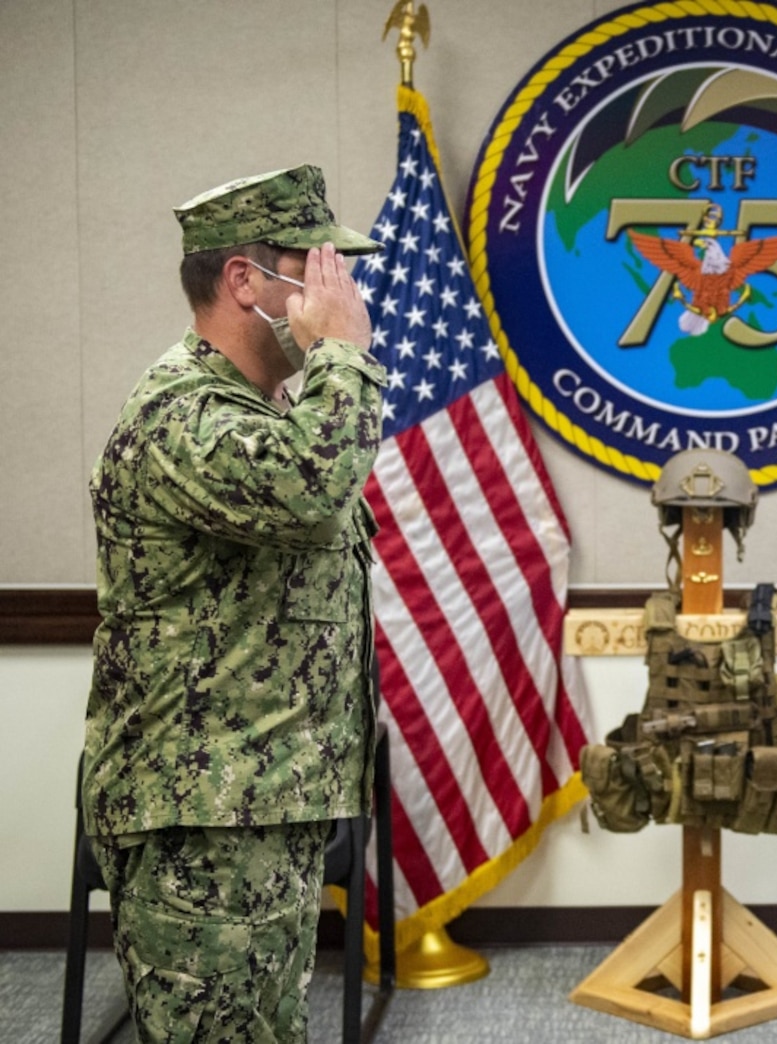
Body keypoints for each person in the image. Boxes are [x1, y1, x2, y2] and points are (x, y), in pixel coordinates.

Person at [83, 165, 384, 1042]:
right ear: (245, 283)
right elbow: (311, 488)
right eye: (317, 268)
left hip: (255, 806)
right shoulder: (184, 417)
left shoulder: (261, 410)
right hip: (199, 825)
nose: (341, 294)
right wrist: (344, 356)